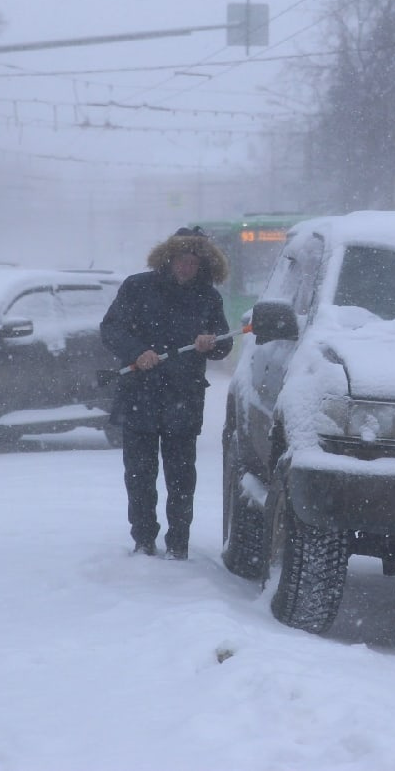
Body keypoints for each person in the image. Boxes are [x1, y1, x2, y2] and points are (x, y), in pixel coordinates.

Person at [101, 226, 232, 560]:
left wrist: (211, 342)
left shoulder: (209, 297)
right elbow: (111, 328)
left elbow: (224, 341)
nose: (187, 267)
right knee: (139, 474)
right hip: (139, 396)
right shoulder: (137, 288)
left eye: (194, 262)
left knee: (181, 476)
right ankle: (143, 541)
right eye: (181, 260)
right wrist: (136, 352)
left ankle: (178, 545)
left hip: (183, 398)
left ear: (203, 264)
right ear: (168, 259)